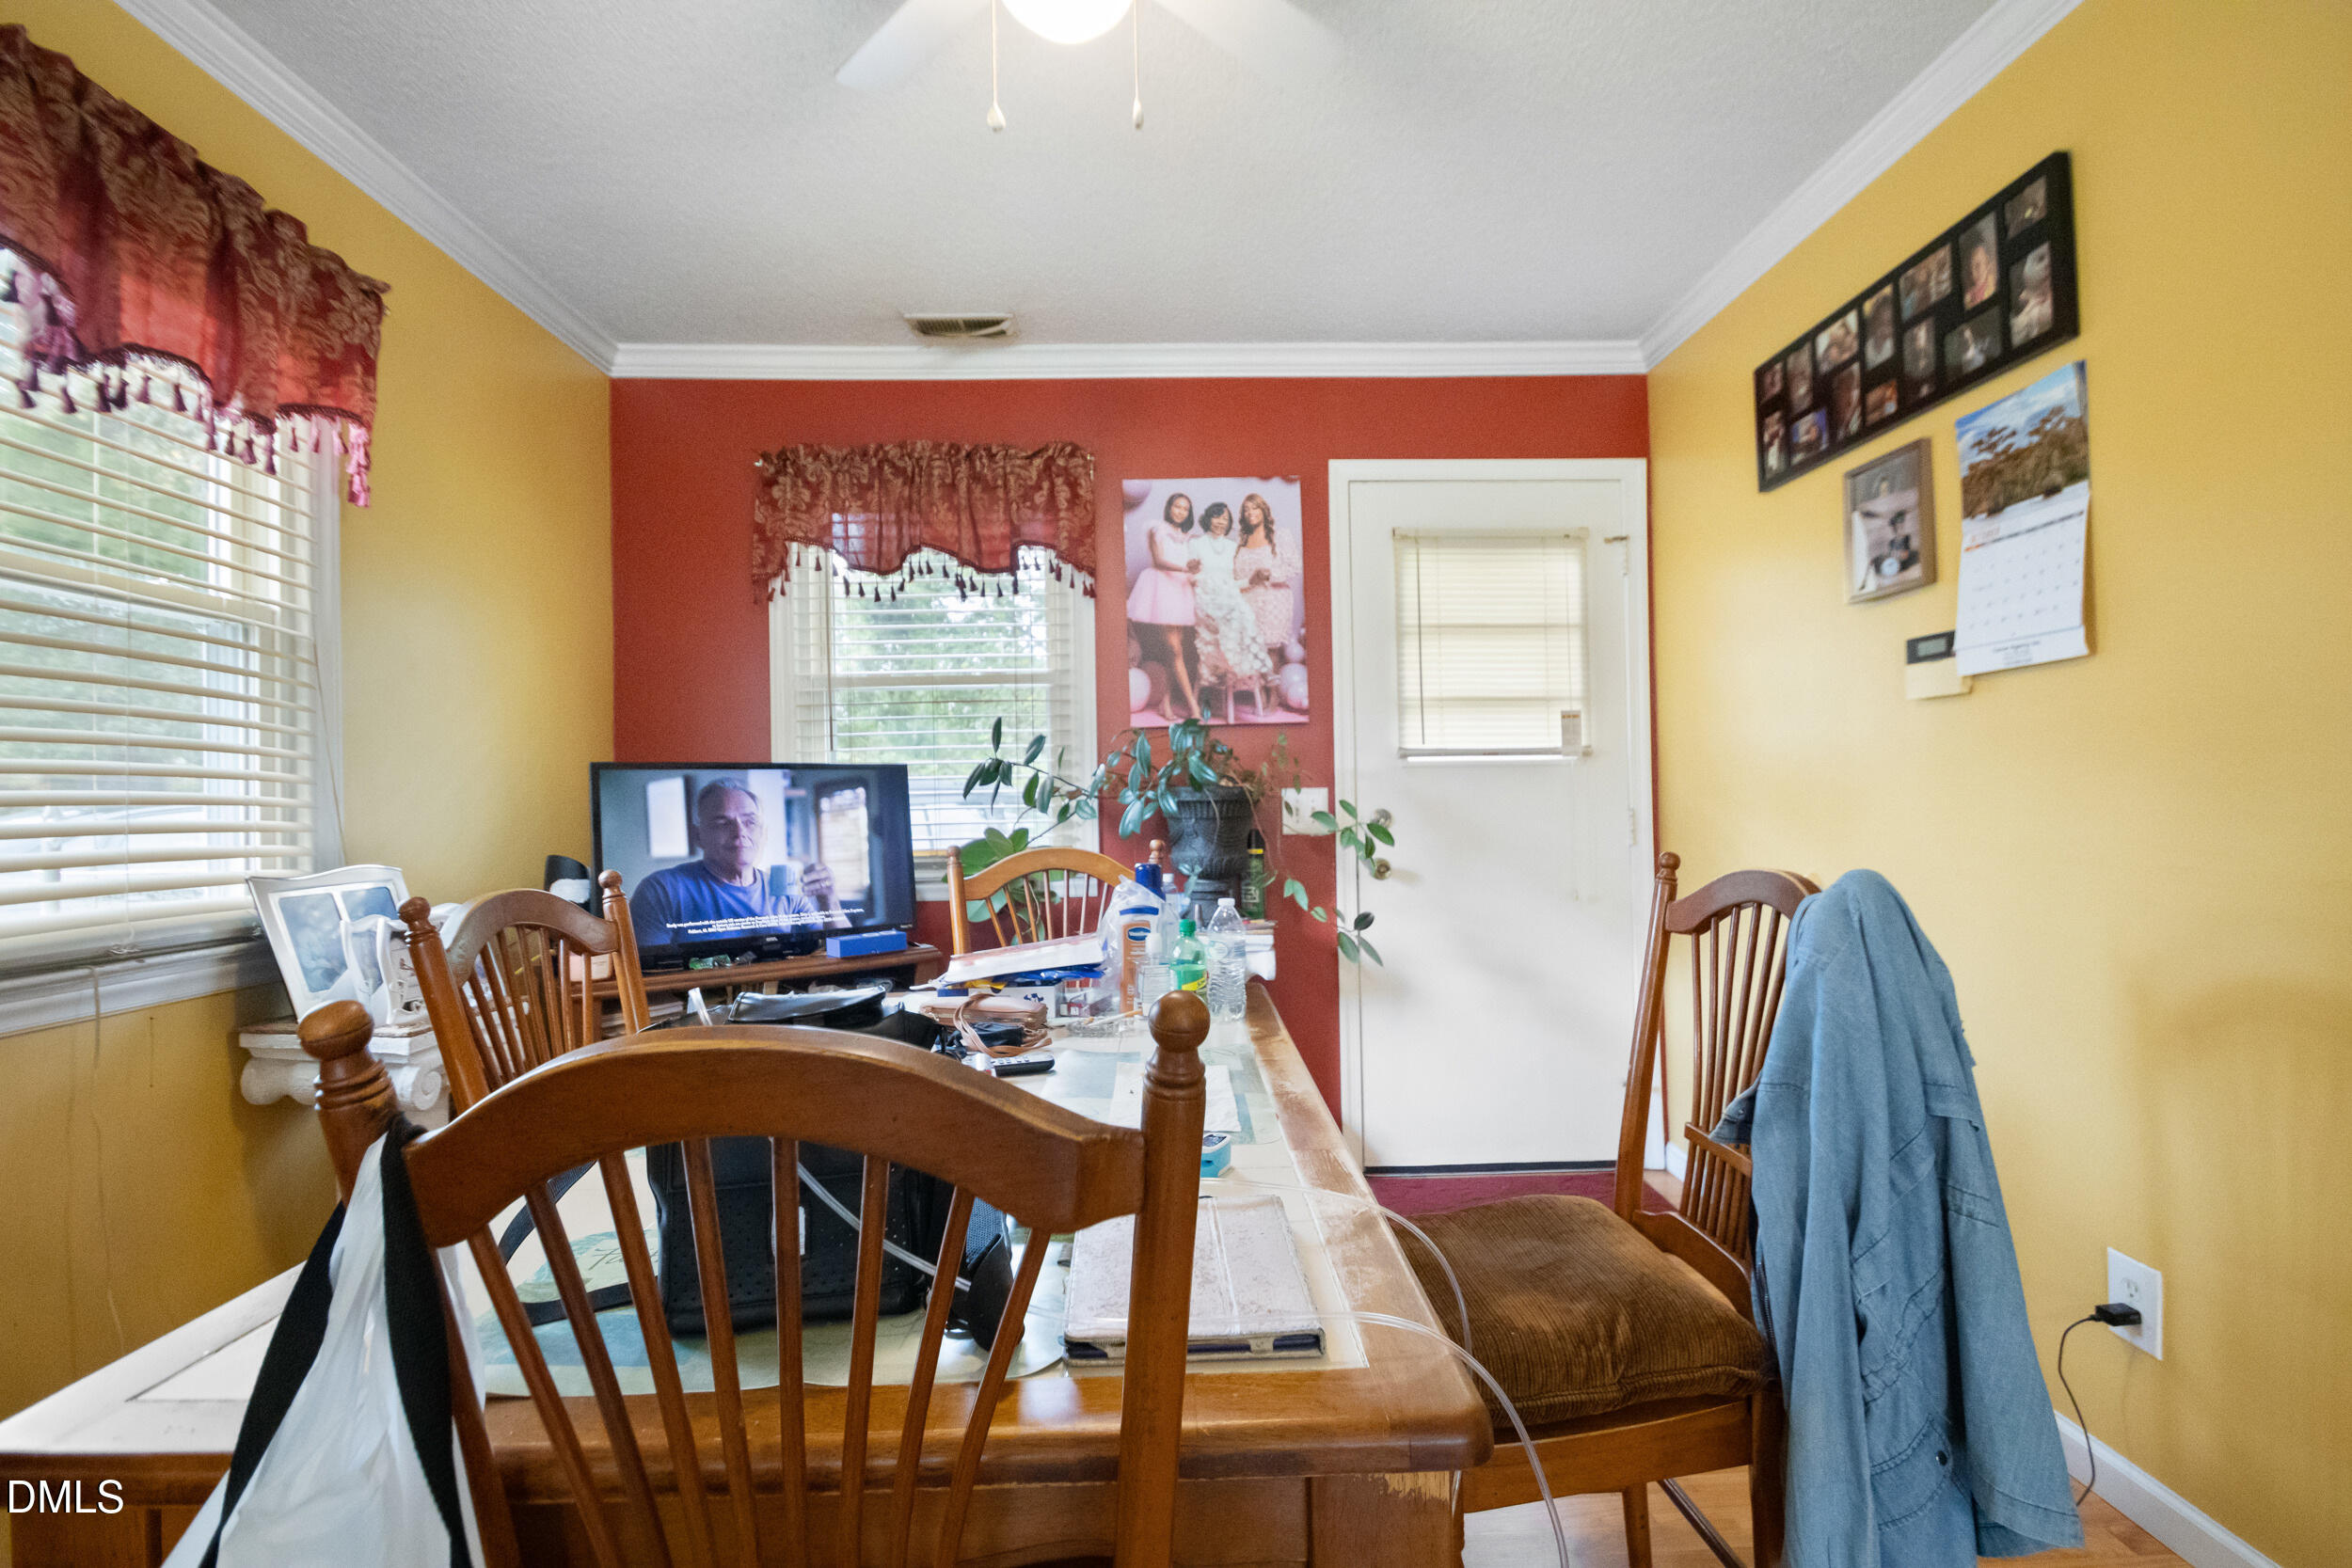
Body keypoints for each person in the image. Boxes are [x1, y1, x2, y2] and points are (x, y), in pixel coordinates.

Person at [632, 778, 842, 948]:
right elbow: (648, 977)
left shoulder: (786, 890)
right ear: (698, 836)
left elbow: (841, 956)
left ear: (763, 834)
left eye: (750, 822)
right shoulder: (661, 891)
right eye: (722, 823)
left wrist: (829, 902)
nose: (740, 833)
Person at [1189, 501, 1275, 716]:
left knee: (1242, 613)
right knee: (1235, 615)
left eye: (1226, 519)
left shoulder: (1232, 547)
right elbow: (1191, 577)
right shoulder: (1196, 544)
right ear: (1208, 518)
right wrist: (1201, 579)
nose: (1221, 522)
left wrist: (1252, 580)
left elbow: (1234, 583)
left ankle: (1251, 671)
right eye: (1217, 517)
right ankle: (1261, 669)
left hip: (1228, 599)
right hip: (1205, 598)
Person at [1126, 492, 1203, 721]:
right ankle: (1193, 707)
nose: (1180, 511)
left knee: (1174, 650)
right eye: (1177, 506)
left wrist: (1194, 568)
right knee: (1175, 650)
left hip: (1180, 591)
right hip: (1163, 589)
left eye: (1185, 509)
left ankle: (1166, 704)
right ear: (1169, 507)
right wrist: (1185, 568)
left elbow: (1192, 563)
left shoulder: (1187, 537)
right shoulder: (1156, 528)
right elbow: (1159, 560)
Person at [1232, 494, 1294, 668]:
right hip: (1247, 601)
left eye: (1255, 508)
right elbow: (1237, 576)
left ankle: (1272, 694)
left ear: (1264, 511)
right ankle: (1257, 692)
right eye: (1246, 509)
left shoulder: (1280, 536)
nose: (1250, 512)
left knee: (1271, 649)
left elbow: (1293, 566)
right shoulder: (1240, 542)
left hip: (1273, 600)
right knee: (1250, 648)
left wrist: (1268, 575)